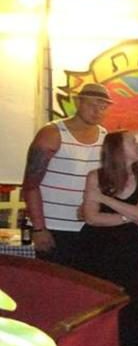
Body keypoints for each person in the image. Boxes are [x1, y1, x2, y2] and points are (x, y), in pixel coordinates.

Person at [79, 131, 138, 346]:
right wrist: (127, 216)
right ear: (117, 148)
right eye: (133, 142)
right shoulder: (95, 176)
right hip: (96, 250)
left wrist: (105, 200)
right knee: (99, 304)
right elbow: (91, 218)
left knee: (134, 303)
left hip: (128, 250)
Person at [22, 82, 111, 267]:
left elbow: (105, 183)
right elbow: (31, 185)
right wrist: (39, 228)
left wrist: (92, 206)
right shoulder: (52, 133)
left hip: (89, 227)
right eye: (91, 104)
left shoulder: (105, 136)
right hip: (54, 227)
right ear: (78, 102)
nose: (97, 111)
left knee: (86, 288)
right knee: (54, 287)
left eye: (102, 106)